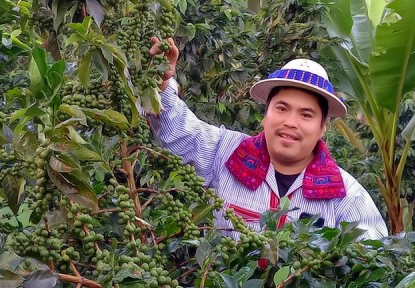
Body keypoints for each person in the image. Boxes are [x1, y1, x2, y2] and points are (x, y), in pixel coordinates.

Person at [144, 38, 387, 240]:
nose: (291, 122)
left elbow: (372, 266)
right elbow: (180, 131)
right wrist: (163, 83)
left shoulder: (347, 199)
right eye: (282, 108)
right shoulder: (226, 153)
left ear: (322, 127)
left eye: (306, 114)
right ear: (265, 115)